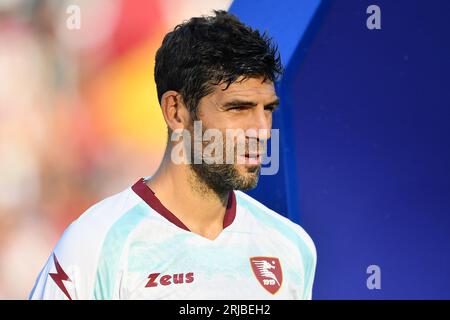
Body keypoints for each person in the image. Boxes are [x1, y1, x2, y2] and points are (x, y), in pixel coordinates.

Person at [30, 10, 316, 300]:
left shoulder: (290, 247)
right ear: (176, 111)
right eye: (237, 108)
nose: (262, 131)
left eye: (267, 109)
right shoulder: (96, 244)